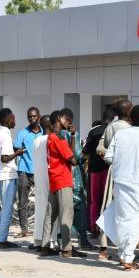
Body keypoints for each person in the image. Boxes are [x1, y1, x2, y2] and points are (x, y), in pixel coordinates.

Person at [100, 105, 139, 270]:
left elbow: (109, 156)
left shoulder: (120, 133)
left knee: (121, 218)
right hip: (136, 181)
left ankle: (123, 254)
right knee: (133, 220)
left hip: (119, 180)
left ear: (130, 119)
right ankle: (127, 258)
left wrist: (121, 164)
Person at [40, 110, 85, 258]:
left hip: (54, 179)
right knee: (67, 214)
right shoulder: (57, 138)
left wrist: (72, 136)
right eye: (67, 119)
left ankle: (45, 246)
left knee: (51, 214)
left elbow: (68, 153)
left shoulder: (54, 137)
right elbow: (72, 159)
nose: (69, 122)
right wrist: (78, 157)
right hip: (63, 180)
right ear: (59, 119)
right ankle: (67, 248)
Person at [96, 99, 132, 259]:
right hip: (128, 171)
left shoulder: (110, 126)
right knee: (128, 211)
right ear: (127, 112)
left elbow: (100, 147)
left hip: (113, 170)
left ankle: (103, 248)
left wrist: (110, 159)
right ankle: (125, 250)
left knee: (107, 207)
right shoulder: (130, 128)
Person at [0, 108, 25, 248]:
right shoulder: (5, 135)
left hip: (0, 174)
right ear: (6, 119)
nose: (14, 121)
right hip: (7, 174)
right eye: (12, 118)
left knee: (5, 208)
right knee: (7, 209)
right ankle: (2, 240)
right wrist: (18, 153)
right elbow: (4, 158)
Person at [60, 108, 90, 248]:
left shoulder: (55, 135)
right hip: (74, 177)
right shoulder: (72, 134)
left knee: (64, 210)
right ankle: (82, 240)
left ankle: (63, 241)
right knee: (79, 209)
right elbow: (75, 156)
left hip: (62, 176)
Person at [83, 108, 114, 235]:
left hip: (94, 170)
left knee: (94, 200)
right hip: (108, 169)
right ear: (113, 119)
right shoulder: (114, 130)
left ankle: (93, 226)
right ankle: (106, 227)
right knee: (108, 200)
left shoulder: (93, 131)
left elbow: (85, 150)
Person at [13, 106, 42, 238]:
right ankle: (24, 229)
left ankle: (42, 228)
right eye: (30, 116)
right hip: (24, 170)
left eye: (34, 116)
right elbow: (16, 149)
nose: (32, 118)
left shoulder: (44, 132)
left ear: (39, 116)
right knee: (22, 202)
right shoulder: (22, 133)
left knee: (43, 200)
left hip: (39, 171)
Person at [32, 115, 54, 250]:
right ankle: (50, 240)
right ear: (51, 125)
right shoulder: (50, 139)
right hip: (49, 175)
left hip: (38, 176)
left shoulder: (36, 140)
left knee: (39, 206)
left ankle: (38, 239)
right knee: (50, 208)